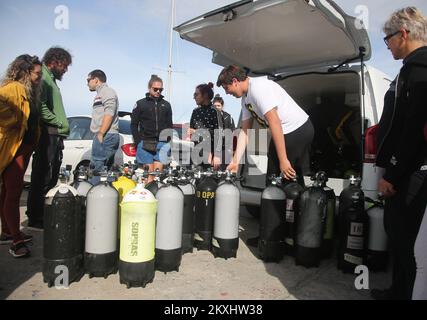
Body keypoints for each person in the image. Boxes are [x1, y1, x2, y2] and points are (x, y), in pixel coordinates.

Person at [216, 65, 314, 246]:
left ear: (235, 81)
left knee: (275, 180)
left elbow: (275, 122)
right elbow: (245, 132)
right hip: (289, 132)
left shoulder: (259, 89)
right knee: (286, 181)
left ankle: (273, 237)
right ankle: (286, 234)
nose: (227, 92)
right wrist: (236, 161)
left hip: (296, 130)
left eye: (226, 88)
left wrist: (284, 160)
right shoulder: (246, 98)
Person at [371, 7, 427, 300]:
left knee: (407, 244)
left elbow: (413, 131)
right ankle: (397, 291)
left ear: (403, 34)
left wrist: (392, 173)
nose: (388, 44)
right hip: (402, 171)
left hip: (409, 174)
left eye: (388, 39)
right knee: (398, 237)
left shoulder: (420, 71)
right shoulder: (410, 68)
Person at [0, 54, 42, 257]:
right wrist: (13, 120)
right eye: (36, 73)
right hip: (13, 148)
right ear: (25, 72)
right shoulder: (14, 87)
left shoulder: (29, 91)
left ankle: (8, 231)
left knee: (8, 191)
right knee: (14, 192)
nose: (39, 77)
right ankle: (15, 241)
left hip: (23, 148)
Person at [26, 47, 72, 230]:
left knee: (50, 175)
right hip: (49, 132)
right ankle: (36, 218)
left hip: (55, 134)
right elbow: (41, 106)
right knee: (43, 175)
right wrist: (59, 123)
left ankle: (41, 215)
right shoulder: (44, 77)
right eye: (65, 65)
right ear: (55, 61)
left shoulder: (50, 79)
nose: (66, 69)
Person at [131, 75, 172, 182]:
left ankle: (155, 195)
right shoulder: (140, 104)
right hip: (146, 142)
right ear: (149, 88)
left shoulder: (166, 105)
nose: (158, 91)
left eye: (160, 89)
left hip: (162, 144)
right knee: (149, 176)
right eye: (155, 89)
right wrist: (138, 142)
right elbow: (134, 124)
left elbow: (169, 125)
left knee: (156, 177)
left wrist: (168, 142)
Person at [87, 69, 120, 172]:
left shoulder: (107, 92)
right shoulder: (101, 94)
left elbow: (109, 113)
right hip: (105, 135)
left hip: (106, 135)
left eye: (88, 80)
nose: (87, 83)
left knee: (97, 170)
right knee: (105, 173)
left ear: (96, 80)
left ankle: (96, 188)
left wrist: (101, 133)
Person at [188, 83, 223, 169]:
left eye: (196, 94)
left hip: (210, 155)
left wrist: (217, 156)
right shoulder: (195, 111)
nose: (194, 97)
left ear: (205, 95)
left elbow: (219, 133)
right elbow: (191, 131)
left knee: (208, 181)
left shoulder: (215, 112)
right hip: (195, 154)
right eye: (194, 94)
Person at [213, 94, 235, 169]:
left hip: (225, 149)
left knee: (223, 170)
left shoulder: (228, 117)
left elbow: (232, 133)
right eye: (214, 106)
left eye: (218, 105)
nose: (216, 107)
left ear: (222, 106)